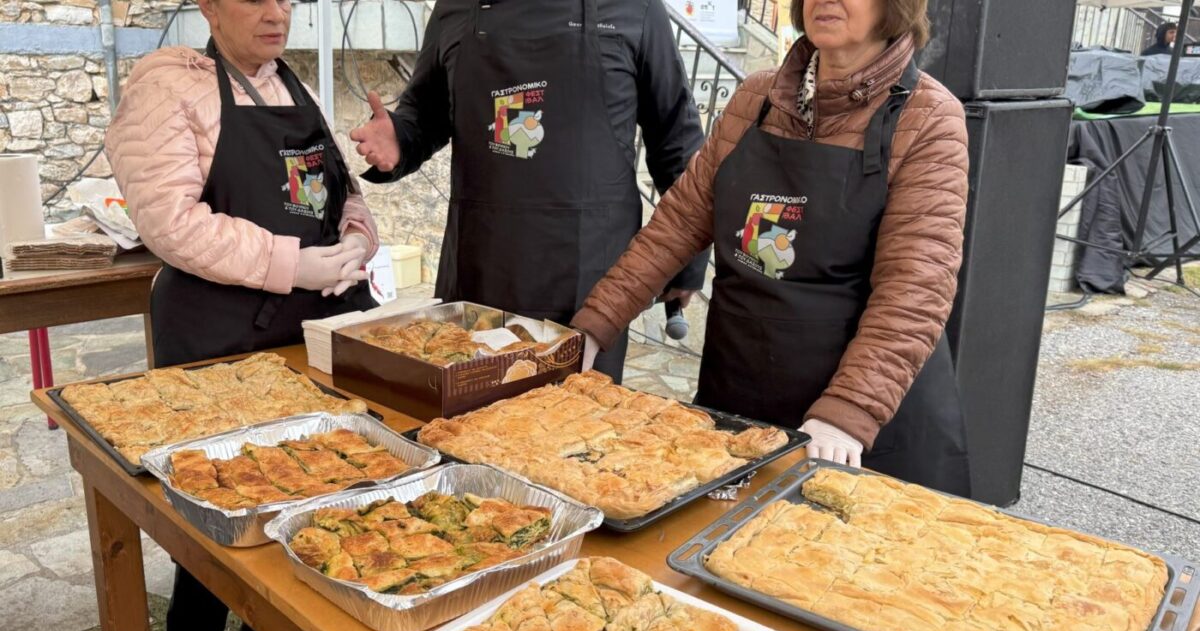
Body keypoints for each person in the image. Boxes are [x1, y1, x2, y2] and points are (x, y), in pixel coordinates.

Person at [572, 0, 972, 495]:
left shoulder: (929, 118)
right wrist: (592, 328)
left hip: (856, 424)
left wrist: (849, 412)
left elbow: (915, 290)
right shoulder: (756, 98)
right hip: (738, 394)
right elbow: (675, 226)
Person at [104, 0, 379, 631]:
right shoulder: (170, 84)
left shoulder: (295, 84)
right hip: (217, 340)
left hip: (310, 333)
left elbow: (341, 191)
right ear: (208, 6)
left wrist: (354, 237)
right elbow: (169, 220)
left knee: (315, 487)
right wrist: (293, 263)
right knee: (219, 500)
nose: (275, 12)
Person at [350, 0, 708, 382]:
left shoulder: (636, 9)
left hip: (594, 284)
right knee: (472, 427)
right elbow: (424, 115)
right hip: (482, 273)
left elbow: (676, 140)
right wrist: (400, 139)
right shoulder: (456, 7)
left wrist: (686, 265)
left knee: (583, 423)